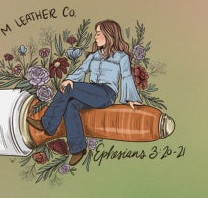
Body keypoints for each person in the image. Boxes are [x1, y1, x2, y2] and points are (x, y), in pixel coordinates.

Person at [40, 19, 140, 162]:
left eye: (98, 33)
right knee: (71, 105)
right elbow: (81, 70)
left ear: (109, 35)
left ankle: (48, 125)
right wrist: (70, 79)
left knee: (69, 88)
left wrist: (131, 98)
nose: (95, 36)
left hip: (106, 94)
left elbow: (126, 76)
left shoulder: (121, 57)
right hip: (91, 92)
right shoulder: (93, 56)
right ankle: (78, 149)